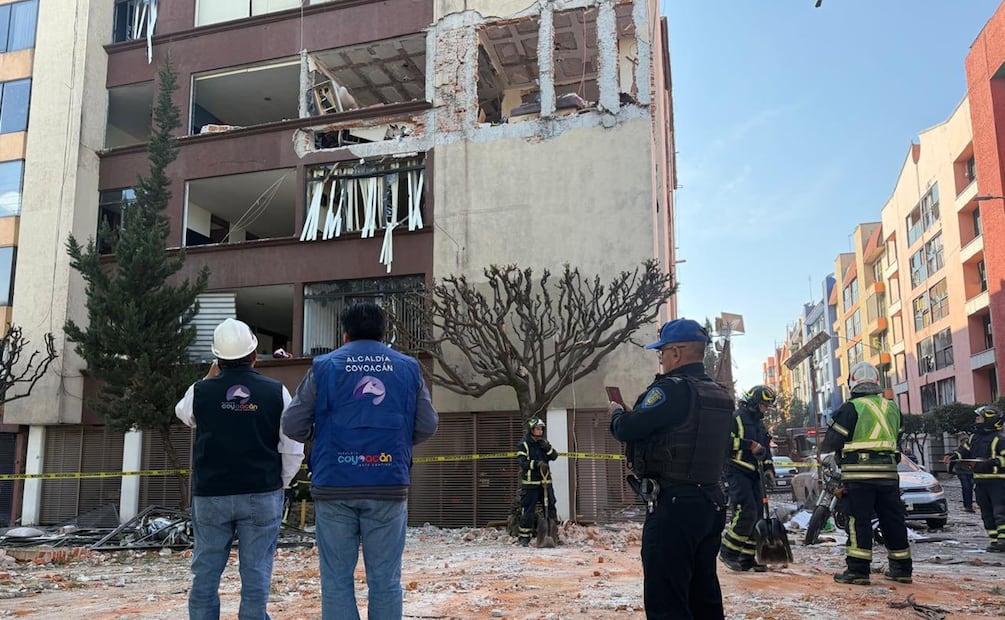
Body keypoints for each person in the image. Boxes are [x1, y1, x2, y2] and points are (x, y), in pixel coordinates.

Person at [281, 302, 438, 619]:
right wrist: (396, 443)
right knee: (385, 580)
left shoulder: (324, 367)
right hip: (387, 483)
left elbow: (292, 424)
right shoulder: (407, 368)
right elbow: (428, 424)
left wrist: (321, 439)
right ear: (385, 333)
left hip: (335, 484)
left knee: (337, 580)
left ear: (344, 334)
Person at [175, 318, 305, 620]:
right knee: (257, 571)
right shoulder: (276, 392)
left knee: (206, 571)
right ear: (255, 354)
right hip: (261, 493)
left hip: (211, 496)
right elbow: (292, 447)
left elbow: (184, 413)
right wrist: (279, 483)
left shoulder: (201, 391)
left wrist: (209, 378)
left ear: (217, 359)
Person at [609, 318, 734, 620]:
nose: (661, 359)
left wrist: (616, 414)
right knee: (703, 592)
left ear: (676, 353)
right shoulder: (719, 393)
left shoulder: (671, 390)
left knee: (667, 598)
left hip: (674, 505)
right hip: (711, 502)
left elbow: (628, 429)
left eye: (662, 352)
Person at [820, 361, 912, 585]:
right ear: (877, 382)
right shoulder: (892, 407)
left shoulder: (850, 408)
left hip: (858, 476)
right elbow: (897, 438)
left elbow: (831, 442)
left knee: (857, 521)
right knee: (893, 520)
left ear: (852, 382)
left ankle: (858, 571)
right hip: (889, 475)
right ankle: (902, 569)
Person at [719, 384, 777, 572]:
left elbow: (766, 450)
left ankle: (747, 557)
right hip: (737, 471)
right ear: (754, 402)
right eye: (764, 405)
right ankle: (728, 551)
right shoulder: (736, 418)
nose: (766, 410)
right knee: (747, 511)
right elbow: (724, 443)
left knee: (758, 514)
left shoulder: (759, 425)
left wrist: (769, 469)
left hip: (755, 473)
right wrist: (749, 445)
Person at [944, 406, 1005, 551]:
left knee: (1000, 512)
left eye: (979, 418)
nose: (976, 421)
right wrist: (953, 456)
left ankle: (1003, 540)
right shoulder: (974, 438)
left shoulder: (999, 439)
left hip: (997, 481)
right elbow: (964, 451)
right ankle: (994, 540)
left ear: (989, 420)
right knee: (986, 513)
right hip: (979, 480)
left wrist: (995, 461)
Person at [516, 417, 559, 546]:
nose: (540, 431)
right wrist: (537, 464)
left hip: (545, 483)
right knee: (528, 510)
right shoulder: (523, 444)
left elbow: (554, 456)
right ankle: (524, 537)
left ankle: (551, 535)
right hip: (531, 484)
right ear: (531, 429)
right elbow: (523, 463)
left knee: (551, 508)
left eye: (541, 429)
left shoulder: (543, 443)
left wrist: (547, 448)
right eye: (538, 428)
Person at [953, 431, 976, 513]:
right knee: (966, 487)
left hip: (970, 471)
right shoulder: (960, 449)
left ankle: (969, 505)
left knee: (970, 487)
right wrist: (950, 471)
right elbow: (954, 459)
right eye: (964, 440)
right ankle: (967, 505)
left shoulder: (972, 448)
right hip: (961, 471)